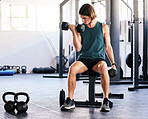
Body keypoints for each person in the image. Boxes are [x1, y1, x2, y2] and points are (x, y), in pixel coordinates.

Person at [61, 3, 116, 112]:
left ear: (91, 16)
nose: (82, 20)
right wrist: (74, 33)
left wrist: (113, 64)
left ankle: (106, 100)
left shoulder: (103, 27)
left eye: (84, 18)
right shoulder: (81, 28)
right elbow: (77, 48)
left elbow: (108, 47)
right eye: (81, 17)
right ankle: (70, 100)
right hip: (84, 60)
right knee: (72, 69)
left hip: (98, 60)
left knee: (104, 67)